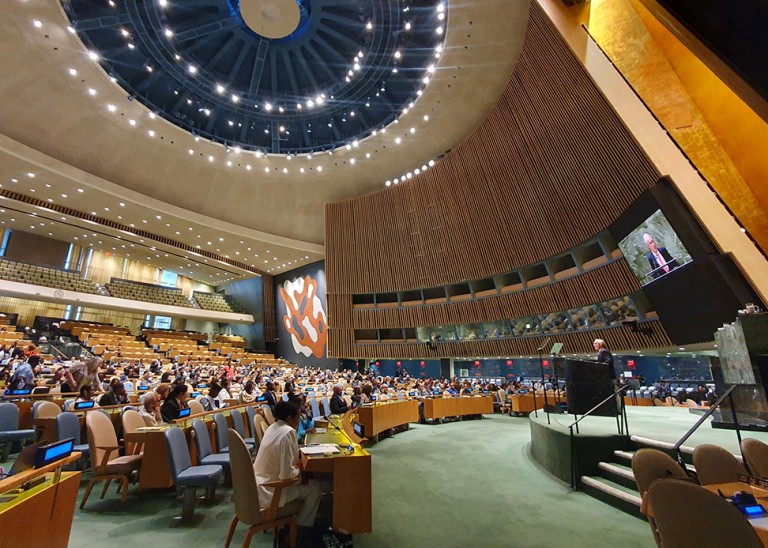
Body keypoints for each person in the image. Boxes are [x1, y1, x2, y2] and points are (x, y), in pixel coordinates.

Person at [252, 397, 322, 538]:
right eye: (298, 416)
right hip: (272, 491)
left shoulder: (273, 427)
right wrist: (301, 471)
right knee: (315, 487)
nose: (300, 419)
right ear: (290, 418)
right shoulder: (288, 432)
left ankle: (300, 526)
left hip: (259, 487)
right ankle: (301, 530)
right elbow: (286, 475)